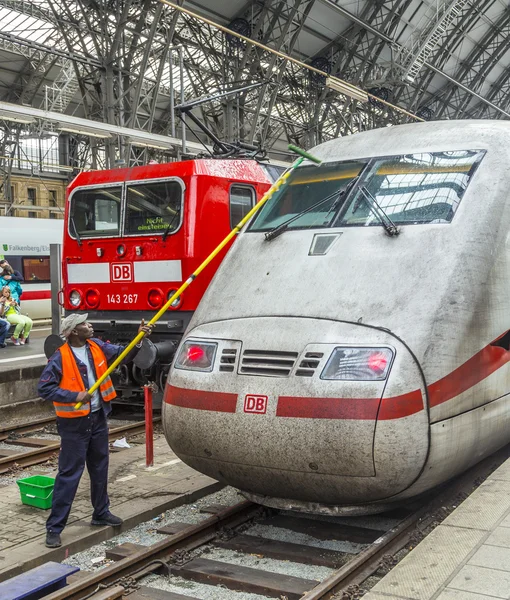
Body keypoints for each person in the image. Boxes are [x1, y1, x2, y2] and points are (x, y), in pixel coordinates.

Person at [38, 314, 153, 549]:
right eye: (84, 324)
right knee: (69, 474)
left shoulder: (96, 346)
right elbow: (44, 388)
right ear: (72, 332)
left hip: (98, 418)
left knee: (100, 468)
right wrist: (74, 396)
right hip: (74, 425)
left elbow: (123, 353)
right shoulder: (60, 357)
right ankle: (54, 527)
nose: (89, 325)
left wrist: (139, 338)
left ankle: (101, 513)